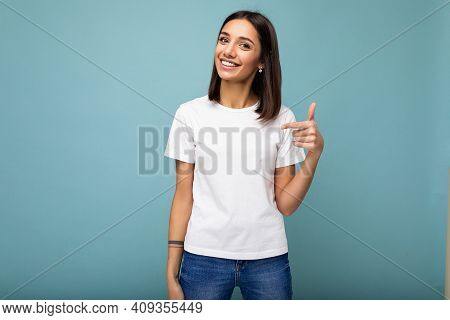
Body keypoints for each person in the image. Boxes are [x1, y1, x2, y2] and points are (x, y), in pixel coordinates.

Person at [164, 10, 324, 300]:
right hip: (202, 259)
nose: (228, 51)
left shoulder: (281, 118)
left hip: (268, 261)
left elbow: (286, 205)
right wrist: (171, 273)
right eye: (224, 39)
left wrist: (313, 157)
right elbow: (183, 196)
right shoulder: (189, 114)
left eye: (244, 44)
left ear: (262, 61)